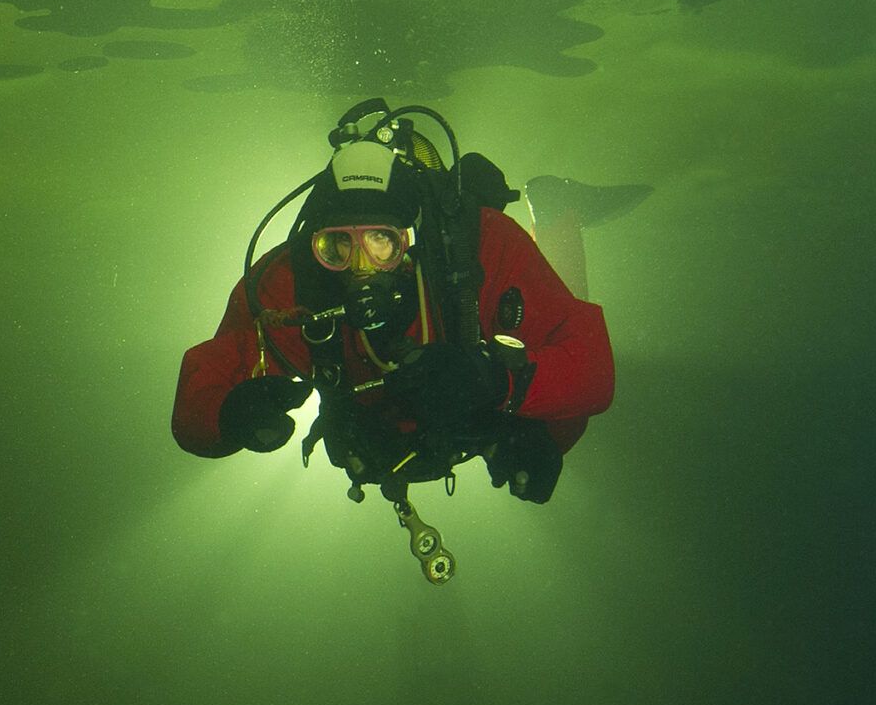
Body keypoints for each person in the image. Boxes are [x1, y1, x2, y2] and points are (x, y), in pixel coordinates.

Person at [172, 101, 615, 507]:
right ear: (314, 247)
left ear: (410, 242)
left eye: (382, 242)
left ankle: (556, 213)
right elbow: (199, 394)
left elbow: (592, 368)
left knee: (561, 392)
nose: (361, 266)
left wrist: (498, 382)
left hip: (487, 420)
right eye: (336, 247)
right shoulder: (290, 282)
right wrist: (231, 414)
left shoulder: (478, 246)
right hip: (389, 442)